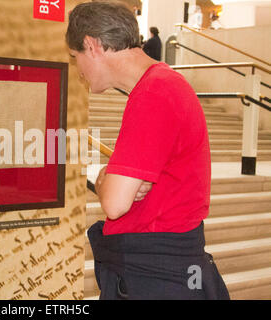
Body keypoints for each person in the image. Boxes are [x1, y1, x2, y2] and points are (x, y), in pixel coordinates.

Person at [66, 1, 229, 300]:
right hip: (161, 270)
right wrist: (107, 176)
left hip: (156, 277)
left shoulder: (154, 93)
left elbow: (115, 202)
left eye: (75, 56)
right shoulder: (158, 87)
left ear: (92, 45)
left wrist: (104, 181)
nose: (78, 69)